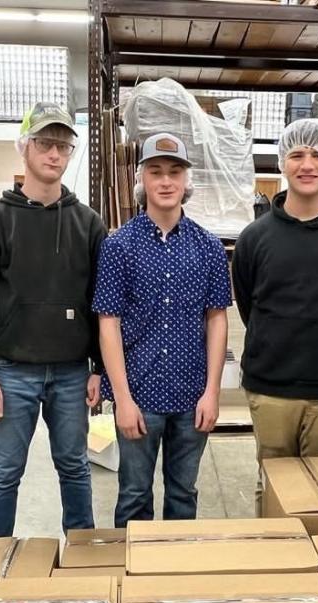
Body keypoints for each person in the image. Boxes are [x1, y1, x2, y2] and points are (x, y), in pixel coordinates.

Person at [0, 102, 106, 537]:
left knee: (75, 467)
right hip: (11, 373)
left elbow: (99, 304)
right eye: (45, 143)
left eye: (63, 145)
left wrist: (97, 369)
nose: (54, 154)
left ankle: (83, 555)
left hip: (70, 372)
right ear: (24, 147)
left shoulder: (89, 224)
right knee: (4, 473)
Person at [232, 118, 318, 512]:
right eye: (296, 154)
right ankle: (275, 564)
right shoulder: (256, 238)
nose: (307, 164)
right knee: (273, 486)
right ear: (282, 163)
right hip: (271, 388)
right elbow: (248, 305)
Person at [93, 133, 231, 527]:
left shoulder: (208, 247)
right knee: (134, 494)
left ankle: (176, 576)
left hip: (192, 397)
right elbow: (108, 322)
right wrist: (122, 399)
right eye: (156, 172)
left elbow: (217, 319)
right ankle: (132, 579)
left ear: (187, 181)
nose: (166, 181)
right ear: (143, 180)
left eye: (175, 172)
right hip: (139, 394)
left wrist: (211, 393)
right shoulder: (119, 246)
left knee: (183, 493)